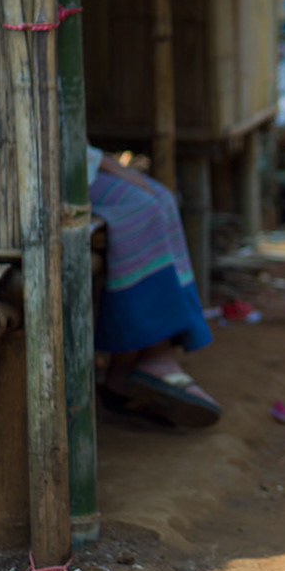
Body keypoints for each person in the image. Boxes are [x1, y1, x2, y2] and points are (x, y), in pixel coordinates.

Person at [86, 146, 222, 427]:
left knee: (162, 198)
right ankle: (152, 355)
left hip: (74, 159)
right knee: (141, 207)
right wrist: (111, 166)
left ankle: (126, 370)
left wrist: (106, 163)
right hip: (38, 168)